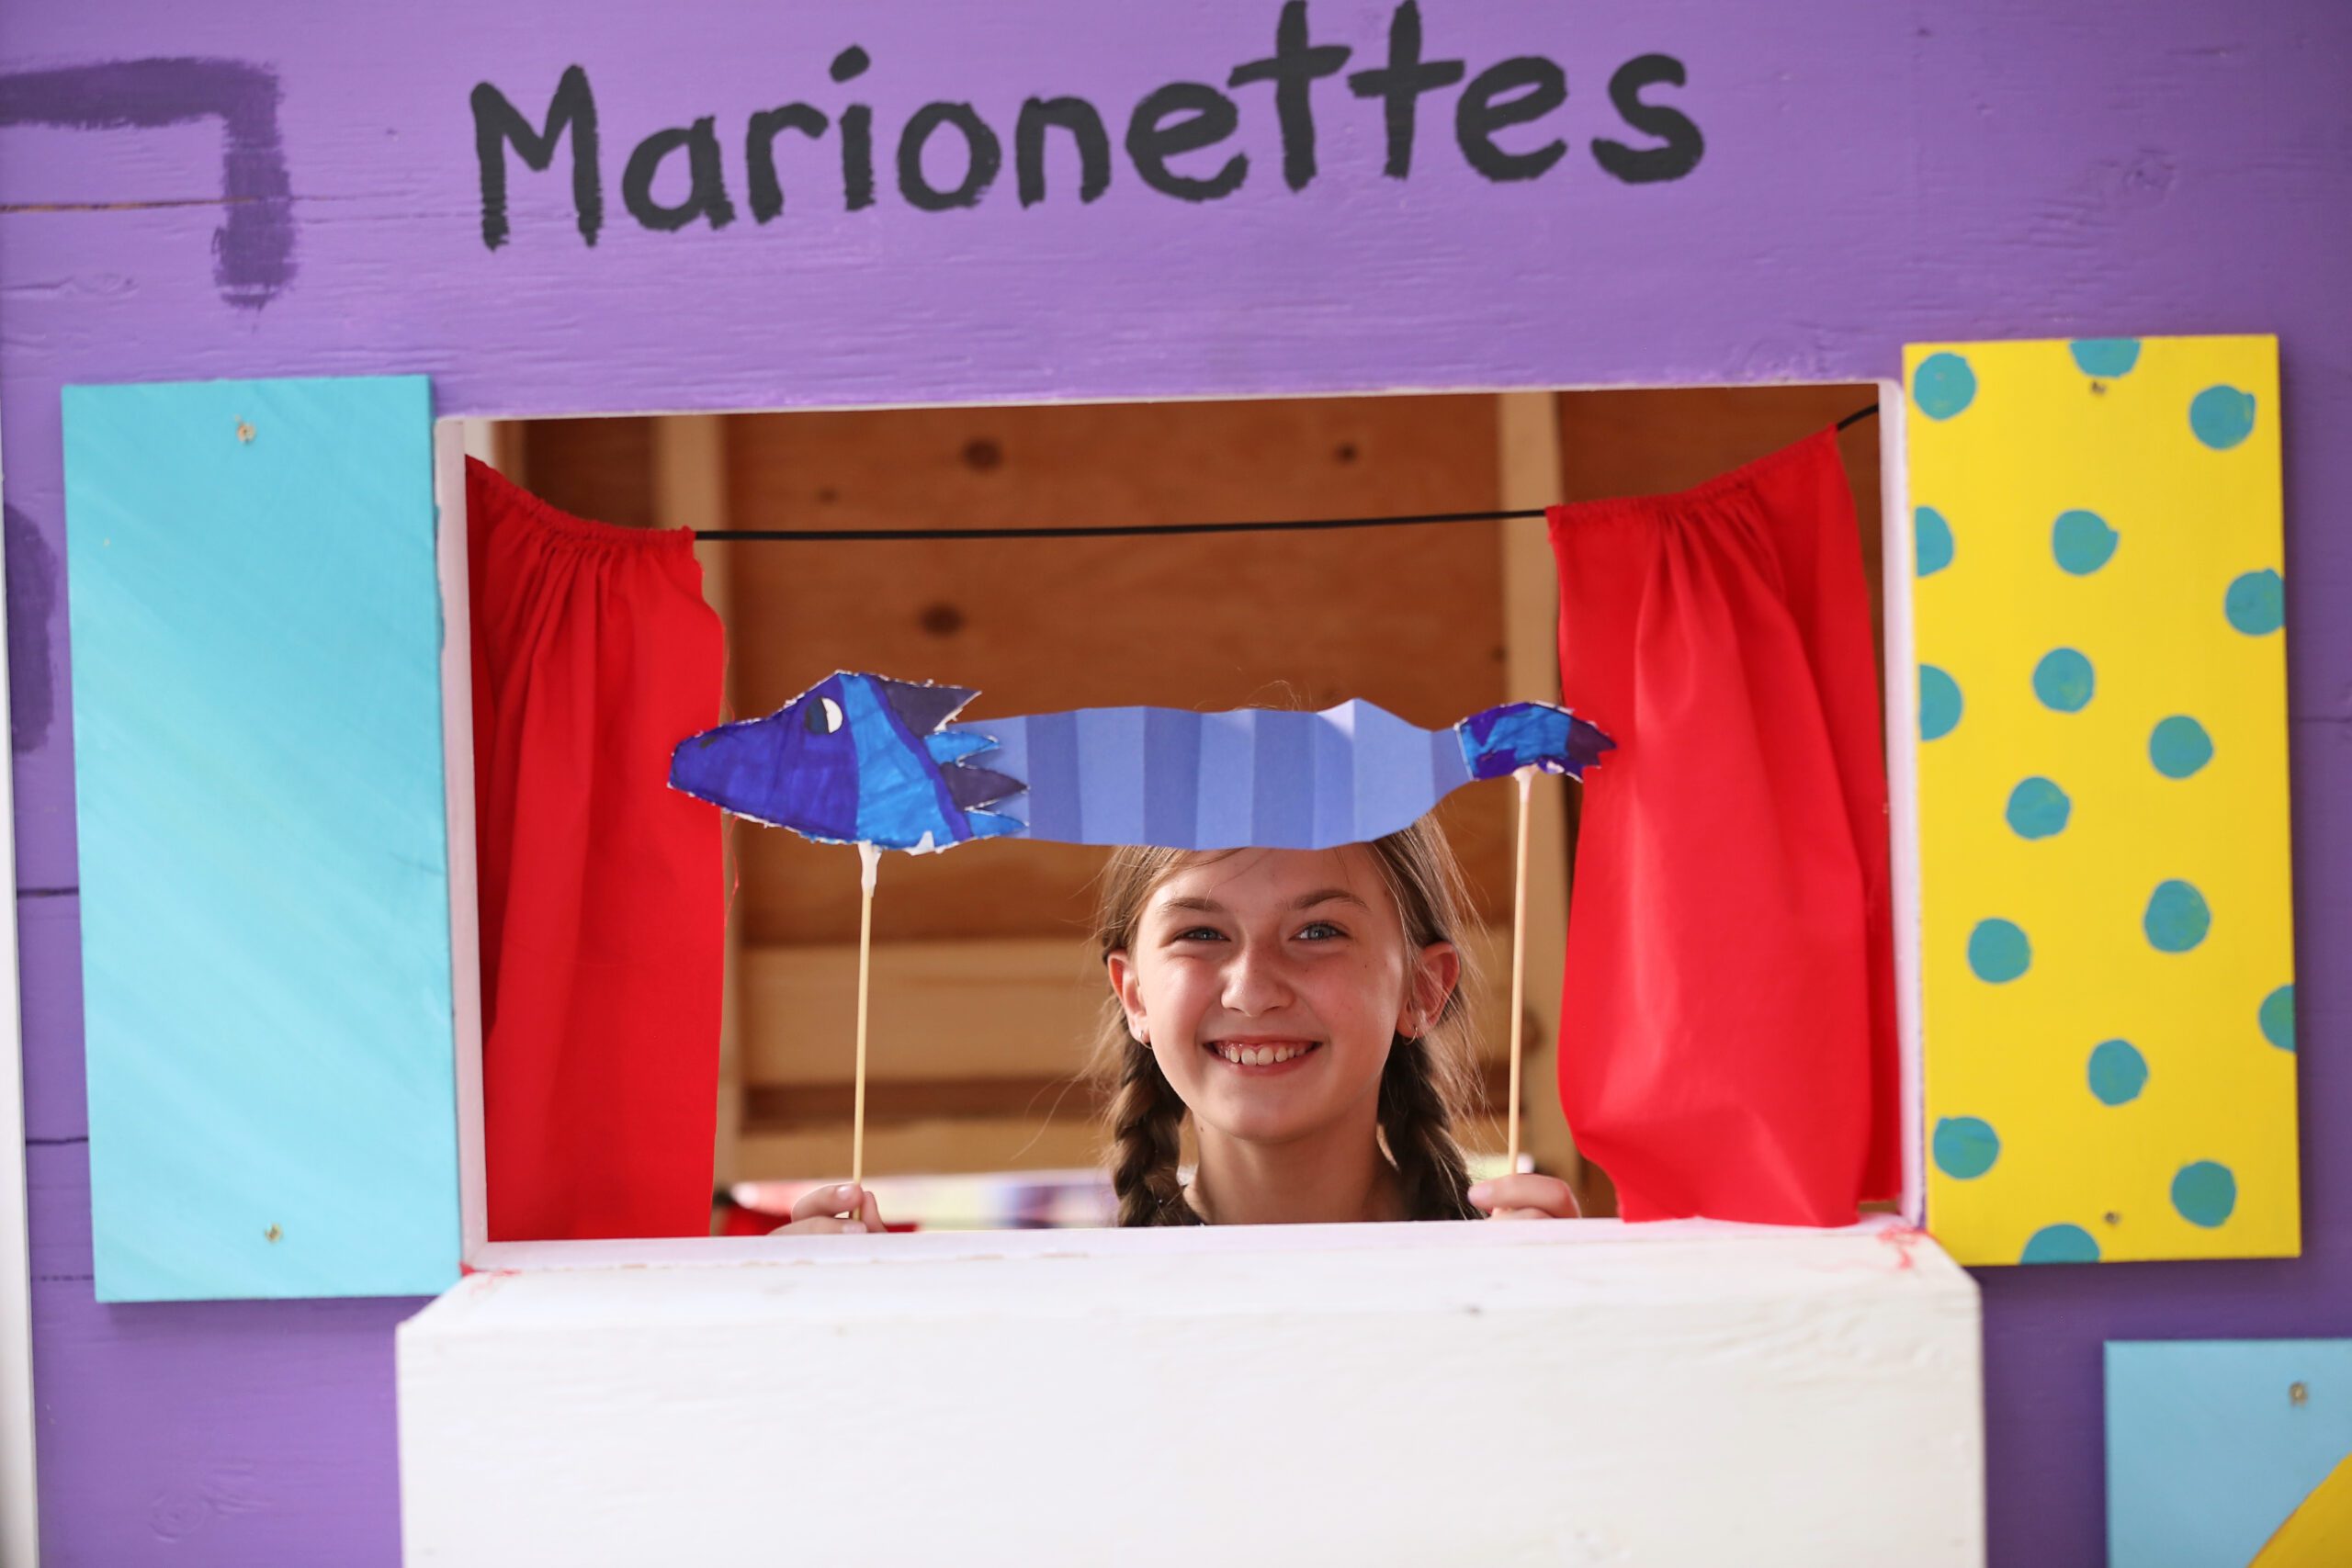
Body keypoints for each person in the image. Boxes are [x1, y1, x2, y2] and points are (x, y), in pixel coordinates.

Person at [774, 817, 1580, 1233]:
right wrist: (800, 1334)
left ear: (1423, 988)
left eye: (1317, 930)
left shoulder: (1523, 1269)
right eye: (1201, 932)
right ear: (1134, 996)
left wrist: (1585, 1314)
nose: (1253, 988)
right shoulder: (1070, 1322)